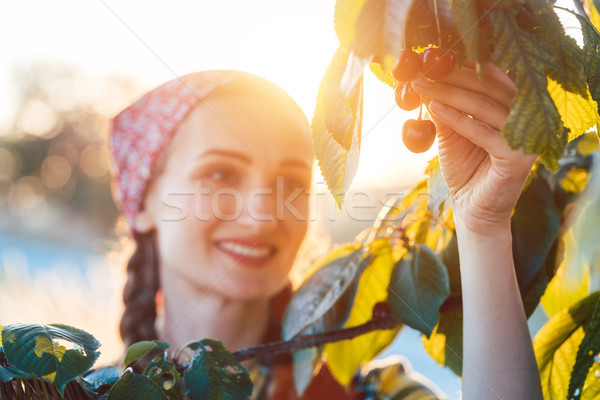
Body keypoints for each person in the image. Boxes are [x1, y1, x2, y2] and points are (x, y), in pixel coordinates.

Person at [108, 65, 543, 399]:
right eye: (220, 174)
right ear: (145, 201)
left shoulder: (371, 393)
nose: (264, 214)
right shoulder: (71, 389)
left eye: (292, 183)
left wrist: (482, 229)